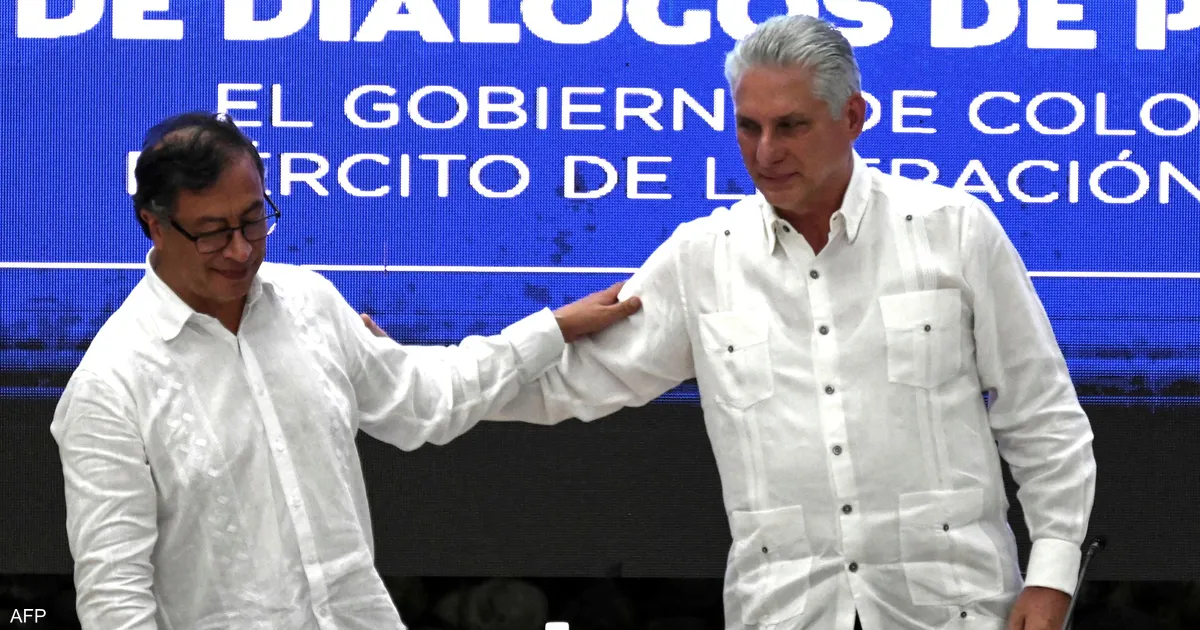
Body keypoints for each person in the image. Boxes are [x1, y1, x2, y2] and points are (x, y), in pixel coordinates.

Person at [482, 14, 1098, 630]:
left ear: (852, 117)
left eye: (791, 126)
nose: (766, 152)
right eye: (748, 127)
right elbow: (565, 384)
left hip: (955, 610)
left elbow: (1041, 413)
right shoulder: (704, 256)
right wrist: (430, 375)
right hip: (785, 613)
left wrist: (1051, 576)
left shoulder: (954, 229)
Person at [49, 111, 641, 630]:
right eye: (211, 233)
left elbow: (422, 400)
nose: (241, 249)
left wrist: (552, 329)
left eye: (253, 220)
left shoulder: (308, 303)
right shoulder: (111, 384)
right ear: (154, 225)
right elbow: (113, 596)